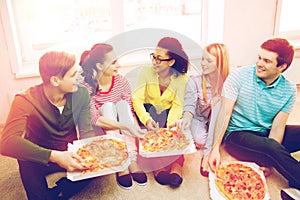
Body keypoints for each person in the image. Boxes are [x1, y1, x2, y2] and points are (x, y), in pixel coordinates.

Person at [207, 38, 300, 192]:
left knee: (273, 146)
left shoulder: (289, 90)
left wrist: (269, 161)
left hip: (266, 134)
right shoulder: (238, 77)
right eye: (259, 58)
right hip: (237, 136)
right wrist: (215, 148)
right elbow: (225, 114)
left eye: (267, 61)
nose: (259, 63)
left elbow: (277, 128)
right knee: (271, 147)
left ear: (281, 66)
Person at [0, 51, 95, 200]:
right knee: (25, 160)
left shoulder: (81, 93)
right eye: (73, 75)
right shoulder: (24, 100)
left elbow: (86, 131)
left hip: (69, 151)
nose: (79, 78)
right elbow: (6, 143)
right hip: (37, 155)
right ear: (55, 81)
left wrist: (93, 152)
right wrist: (54, 156)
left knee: (97, 169)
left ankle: (61, 189)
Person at [80, 43, 147, 190]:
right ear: (99, 66)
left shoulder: (121, 81)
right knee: (109, 106)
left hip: (121, 124)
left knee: (122, 105)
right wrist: (124, 125)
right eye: (114, 62)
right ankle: (120, 160)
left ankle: (131, 158)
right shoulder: (87, 87)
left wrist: (136, 130)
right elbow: (95, 119)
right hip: (102, 127)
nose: (119, 65)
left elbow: (129, 111)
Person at [132, 37, 189, 187]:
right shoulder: (145, 72)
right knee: (149, 138)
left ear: (171, 62)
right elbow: (136, 99)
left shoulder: (182, 79)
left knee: (176, 135)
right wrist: (146, 119)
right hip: (147, 111)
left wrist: (170, 128)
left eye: (160, 59)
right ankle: (158, 166)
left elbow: (177, 105)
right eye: (154, 57)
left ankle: (177, 165)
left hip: (169, 113)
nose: (154, 61)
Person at [173, 43, 230, 177]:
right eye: (202, 59)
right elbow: (189, 106)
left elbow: (227, 113)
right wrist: (186, 119)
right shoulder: (194, 81)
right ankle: (211, 144)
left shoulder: (229, 82)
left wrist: (219, 98)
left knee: (219, 104)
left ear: (220, 63)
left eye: (209, 61)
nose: (203, 64)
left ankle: (207, 154)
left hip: (216, 122)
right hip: (198, 119)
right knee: (200, 140)